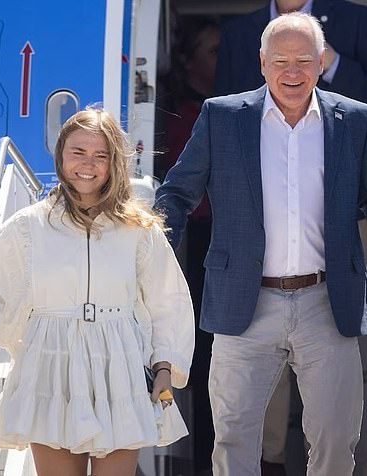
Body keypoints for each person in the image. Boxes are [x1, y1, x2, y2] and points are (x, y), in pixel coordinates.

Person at [154, 12, 367, 476]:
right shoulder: (222, 117)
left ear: (322, 62)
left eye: (304, 60)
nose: (292, 72)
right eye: (280, 61)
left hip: (327, 300)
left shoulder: (353, 119)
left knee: (336, 438)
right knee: (235, 438)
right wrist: (152, 244)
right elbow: (178, 192)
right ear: (262, 63)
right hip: (245, 300)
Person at [0, 108, 195, 476]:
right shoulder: (28, 225)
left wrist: (165, 365)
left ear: (115, 162)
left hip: (120, 368)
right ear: (60, 155)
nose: (88, 164)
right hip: (50, 366)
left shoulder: (139, 229)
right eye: (78, 152)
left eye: (101, 155)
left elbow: (168, 300)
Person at [156, 16, 220, 475]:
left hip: (234, 240)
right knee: (200, 359)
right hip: (195, 244)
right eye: (214, 52)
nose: (224, 62)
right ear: (190, 60)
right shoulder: (182, 112)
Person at [214, 0, 367, 120]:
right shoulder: (238, 33)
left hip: (340, 172)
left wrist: (334, 64)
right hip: (264, 174)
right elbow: (222, 116)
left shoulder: (354, 19)